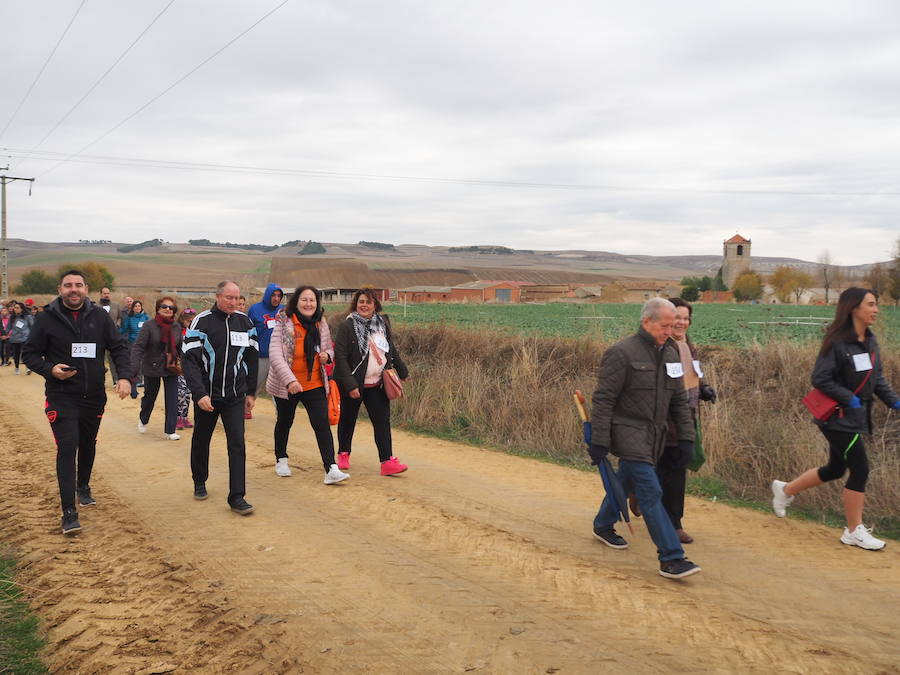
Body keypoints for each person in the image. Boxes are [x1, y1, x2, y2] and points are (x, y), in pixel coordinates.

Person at [772, 287, 900, 550]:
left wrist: (894, 401)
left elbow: (876, 379)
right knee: (861, 468)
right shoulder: (837, 342)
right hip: (837, 418)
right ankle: (854, 530)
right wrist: (847, 398)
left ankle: (785, 490)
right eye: (871, 304)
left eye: (877, 305)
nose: (876, 310)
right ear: (854, 307)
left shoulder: (870, 341)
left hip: (856, 417)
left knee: (835, 469)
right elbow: (820, 378)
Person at [588, 297, 701, 580]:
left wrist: (687, 438)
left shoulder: (671, 353)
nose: (668, 330)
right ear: (646, 321)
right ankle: (672, 558)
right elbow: (603, 400)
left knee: (626, 479)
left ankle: (603, 524)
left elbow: (678, 400)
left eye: (671, 325)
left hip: (656, 435)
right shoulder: (621, 353)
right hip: (627, 431)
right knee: (651, 492)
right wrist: (598, 440)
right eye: (663, 325)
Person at [23, 269, 131, 534]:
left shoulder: (99, 317)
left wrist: (125, 377)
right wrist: (50, 370)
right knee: (67, 447)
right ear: (60, 289)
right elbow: (30, 354)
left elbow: (118, 347)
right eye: (68, 285)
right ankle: (68, 512)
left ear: (86, 289)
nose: (74, 289)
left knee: (88, 443)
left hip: (93, 396)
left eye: (79, 285)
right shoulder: (46, 318)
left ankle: (83, 486)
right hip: (62, 395)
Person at [182, 281, 258, 515]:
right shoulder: (202, 321)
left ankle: (237, 496)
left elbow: (252, 358)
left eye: (237, 298)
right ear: (217, 297)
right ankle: (199, 479)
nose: (233, 302)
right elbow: (189, 360)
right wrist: (199, 393)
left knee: (237, 444)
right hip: (208, 395)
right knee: (202, 438)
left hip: (235, 394)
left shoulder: (245, 323)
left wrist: (251, 392)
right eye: (228, 298)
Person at [266, 285, 348, 483]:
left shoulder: (321, 323)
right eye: (304, 299)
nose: (308, 304)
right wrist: (290, 380)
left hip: (314, 383)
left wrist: (327, 355)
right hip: (287, 385)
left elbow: (329, 348)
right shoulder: (284, 322)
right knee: (285, 422)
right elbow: (275, 355)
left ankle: (331, 468)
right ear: (296, 301)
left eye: (312, 300)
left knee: (321, 424)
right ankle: (281, 459)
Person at [654, 297, 716, 544]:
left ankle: (662, 512)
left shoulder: (688, 345)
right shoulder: (660, 346)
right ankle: (673, 524)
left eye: (686, 318)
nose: (682, 322)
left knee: (675, 466)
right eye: (677, 317)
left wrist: (705, 388)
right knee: (671, 467)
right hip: (666, 418)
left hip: (688, 415)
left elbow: (694, 374)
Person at [333, 288, 410, 476]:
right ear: (355, 304)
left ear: (375, 305)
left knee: (382, 421)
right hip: (354, 384)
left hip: (377, 383)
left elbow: (390, 349)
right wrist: (350, 384)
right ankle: (343, 454)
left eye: (368, 302)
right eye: (361, 302)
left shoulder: (382, 323)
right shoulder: (347, 326)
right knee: (348, 419)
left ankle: (387, 461)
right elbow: (340, 357)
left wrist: (402, 370)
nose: (364, 305)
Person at [131, 297, 183, 440]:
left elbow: (180, 348)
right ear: (158, 309)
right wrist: (134, 368)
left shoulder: (177, 327)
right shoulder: (149, 325)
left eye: (171, 308)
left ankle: (170, 430)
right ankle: (143, 418)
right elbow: (138, 347)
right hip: (151, 366)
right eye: (164, 306)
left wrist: (185, 363)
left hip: (171, 366)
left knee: (172, 398)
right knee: (150, 397)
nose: (167, 309)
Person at [247, 283, 284, 420]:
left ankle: (281, 412)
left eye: (279, 296)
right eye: (273, 295)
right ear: (268, 295)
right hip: (260, 355)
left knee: (280, 386)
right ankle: (247, 407)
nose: (276, 298)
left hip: (278, 356)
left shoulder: (283, 310)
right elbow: (248, 330)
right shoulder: (255, 309)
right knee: (255, 382)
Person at [120, 300, 149, 398]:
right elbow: (123, 330)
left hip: (145, 344)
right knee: (134, 366)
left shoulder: (146, 317)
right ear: (132, 308)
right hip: (132, 344)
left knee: (143, 364)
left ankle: (141, 381)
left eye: (139, 306)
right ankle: (133, 386)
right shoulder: (129, 318)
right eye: (135, 306)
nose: (137, 307)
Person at [175, 308, 196, 430]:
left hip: (191, 366)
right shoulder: (177, 330)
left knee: (188, 393)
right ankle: (177, 417)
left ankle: (184, 417)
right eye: (188, 321)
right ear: (183, 320)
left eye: (192, 321)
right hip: (179, 365)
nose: (190, 323)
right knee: (180, 393)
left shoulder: (195, 331)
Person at [99, 287, 123, 385]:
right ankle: (100, 380)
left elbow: (120, 318)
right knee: (99, 359)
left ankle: (116, 380)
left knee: (113, 359)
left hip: (112, 336)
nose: (107, 295)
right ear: (100, 294)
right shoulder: (95, 306)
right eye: (104, 293)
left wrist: (117, 324)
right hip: (99, 336)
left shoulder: (116, 305)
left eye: (108, 293)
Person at [8, 301, 35, 374]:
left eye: (17, 308)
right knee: (16, 354)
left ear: (22, 309)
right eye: (15, 308)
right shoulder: (12, 317)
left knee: (26, 353)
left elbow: (32, 327)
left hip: (25, 338)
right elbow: (8, 327)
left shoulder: (28, 317)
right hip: (15, 339)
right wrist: (5, 334)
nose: (15, 309)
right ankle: (16, 368)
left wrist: (32, 336)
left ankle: (28, 367)